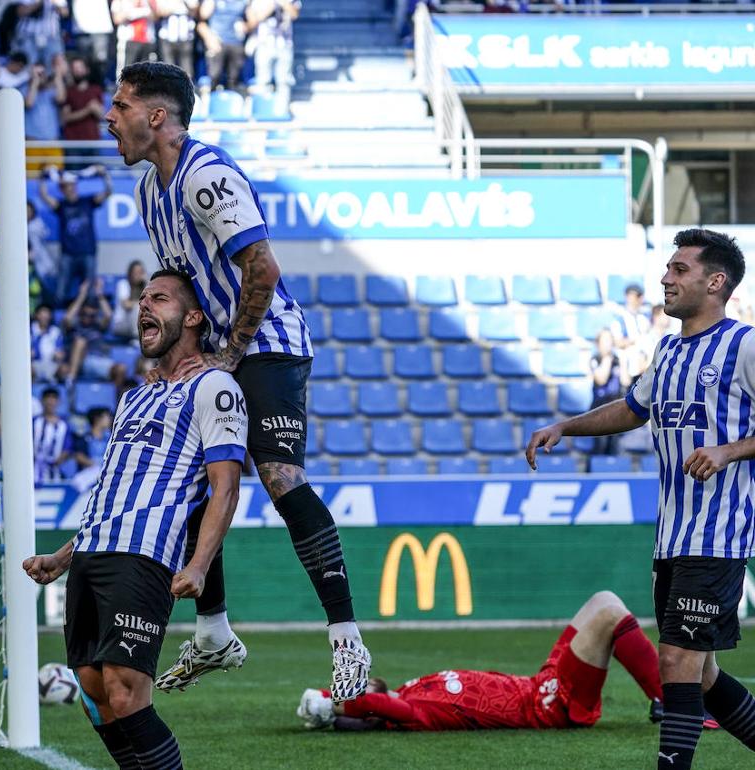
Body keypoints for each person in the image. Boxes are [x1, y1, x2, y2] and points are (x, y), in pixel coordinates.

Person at [106, 61, 370, 701]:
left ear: (157, 116)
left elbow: (264, 269)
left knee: (280, 478)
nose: (109, 118)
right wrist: (173, 354)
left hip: (267, 342)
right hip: (218, 347)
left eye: (120, 106)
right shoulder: (149, 192)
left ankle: (348, 642)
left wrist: (229, 353)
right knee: (190, 477)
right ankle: (214, 633)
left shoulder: (207, 178)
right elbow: (179, 287)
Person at [526, 228, 755, 770]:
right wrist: (567, 426)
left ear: (715, 281)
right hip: (671, 535)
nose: (665, 278)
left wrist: (730, 451)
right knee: (699, 674)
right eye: (668, 268)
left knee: (674, 661)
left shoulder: (744, 344)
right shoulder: (670, 348)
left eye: (680, 270)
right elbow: (632, 407)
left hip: (716, 534)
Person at [23, 269, 247, 770]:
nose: (143, 306)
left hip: (144, 554)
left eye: (159, 298)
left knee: (126, 691)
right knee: (95, 691)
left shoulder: (215, 387)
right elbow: (112, 487)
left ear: (192, 316)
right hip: (94, 552)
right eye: (141, 298)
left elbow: (225, 486)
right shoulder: (133, 396)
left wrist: (200, 564)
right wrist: (63, 557)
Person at [297, 591, 666, 732]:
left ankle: (666, 696)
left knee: (603, 601)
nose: (368, 682)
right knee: (609, 614)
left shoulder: (410, 690)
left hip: (539, 683)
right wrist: (330, 700)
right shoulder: (411, 711)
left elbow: (370, 700)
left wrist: (335, 697)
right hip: (549, 706)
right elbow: (372, 703)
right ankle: (672, 700)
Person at [37, 164, 112, 304]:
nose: (70, 188)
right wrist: (42, 177)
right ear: (62, 189)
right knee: (61, 291)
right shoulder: (61, 205)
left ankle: (89, 320)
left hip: (88, 252)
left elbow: (108, 192)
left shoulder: (88, 202)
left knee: (90, 292)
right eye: (66, 186)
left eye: (72, 185)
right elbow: (43, 195)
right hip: (68, 254)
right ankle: (58, 319)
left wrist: (105, 175)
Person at [588, 328, 629, 457]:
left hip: (616, 407)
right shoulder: (596, 359)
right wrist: (607, 359)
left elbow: (626, 381)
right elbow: (601, 379)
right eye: (605, 340)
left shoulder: (618, 359)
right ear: (598, 343)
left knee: (614, 444)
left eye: (610, 340)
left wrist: (623, 362)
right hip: (599, 407)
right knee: (600, 443)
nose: (608, 343)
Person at [245, 0, 297, 96]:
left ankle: (282, 109)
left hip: (284, 44)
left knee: (284, 81)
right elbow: (253, 20)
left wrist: (284, 3)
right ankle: (262, 109)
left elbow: (295, 14)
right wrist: (271, 6)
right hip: (264, 43)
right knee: (263, 80)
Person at [199, 0, 248, 92]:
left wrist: (246, 26)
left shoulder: (243, 2)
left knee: (234, 80)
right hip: (217, 42)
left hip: (236, 42)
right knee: (214, 77)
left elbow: (252, 19)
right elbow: (201, 20)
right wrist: (209, 37)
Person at [61, 57, 105, 143]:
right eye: (74, 68)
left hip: (93, 140)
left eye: (80, 68)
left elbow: (102, 116)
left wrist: (96, 109)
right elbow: (65, 118)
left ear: (87, 70)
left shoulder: (96, 90)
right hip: (73, 141)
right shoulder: (68, 91)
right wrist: (88, 110)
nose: (77, 71)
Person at [32, 387, 71, 483]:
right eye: (47, 398)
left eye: (53, 398)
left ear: (58, 402)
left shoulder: (64, 425)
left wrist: (59, 459)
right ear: (42, 401)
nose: (50, 402)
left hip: (55, 471)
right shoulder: (34, 422)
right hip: (33, 470)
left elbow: (68, 448)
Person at [13, 0, 68, 65]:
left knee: (55, 65)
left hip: (51, 36)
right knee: (28, 65)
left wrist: (55, 4)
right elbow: (20, 12)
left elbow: (65, 13)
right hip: (28, 36)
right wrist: (38, 3)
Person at [157, 0, 198, 79]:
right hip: (167, 38)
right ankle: (169, 90)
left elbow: (196, 12)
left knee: (187, 70)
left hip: (186, 38)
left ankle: (186, 90)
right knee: (168, 70)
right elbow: (160, 12)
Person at [111, 0, 156, 71]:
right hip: (128, 40)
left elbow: (156, 16)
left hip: (147, 40)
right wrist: (134, 12)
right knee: (126, 73)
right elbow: (117, 19)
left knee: (146, 74)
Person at [30, 303, 68, 383]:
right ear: (37, 315)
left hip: (51, 364)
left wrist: (59, 355)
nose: (45, 317)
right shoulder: (29, 330)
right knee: (27, 368)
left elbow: (60, 350)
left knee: (64, 369)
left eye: (47, 314)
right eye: (42, 314)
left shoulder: (56, 331)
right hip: (34, 363)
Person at [112, 260, 148, 341]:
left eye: (141, 272)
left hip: (136, 324)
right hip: (121, 324)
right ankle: (138, 340)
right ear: (130, 273)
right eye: (136, 272)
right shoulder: (123, 284)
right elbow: (126, 305)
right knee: (137, 308)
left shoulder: (145, 286)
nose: (138, 275)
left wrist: (146, 282)